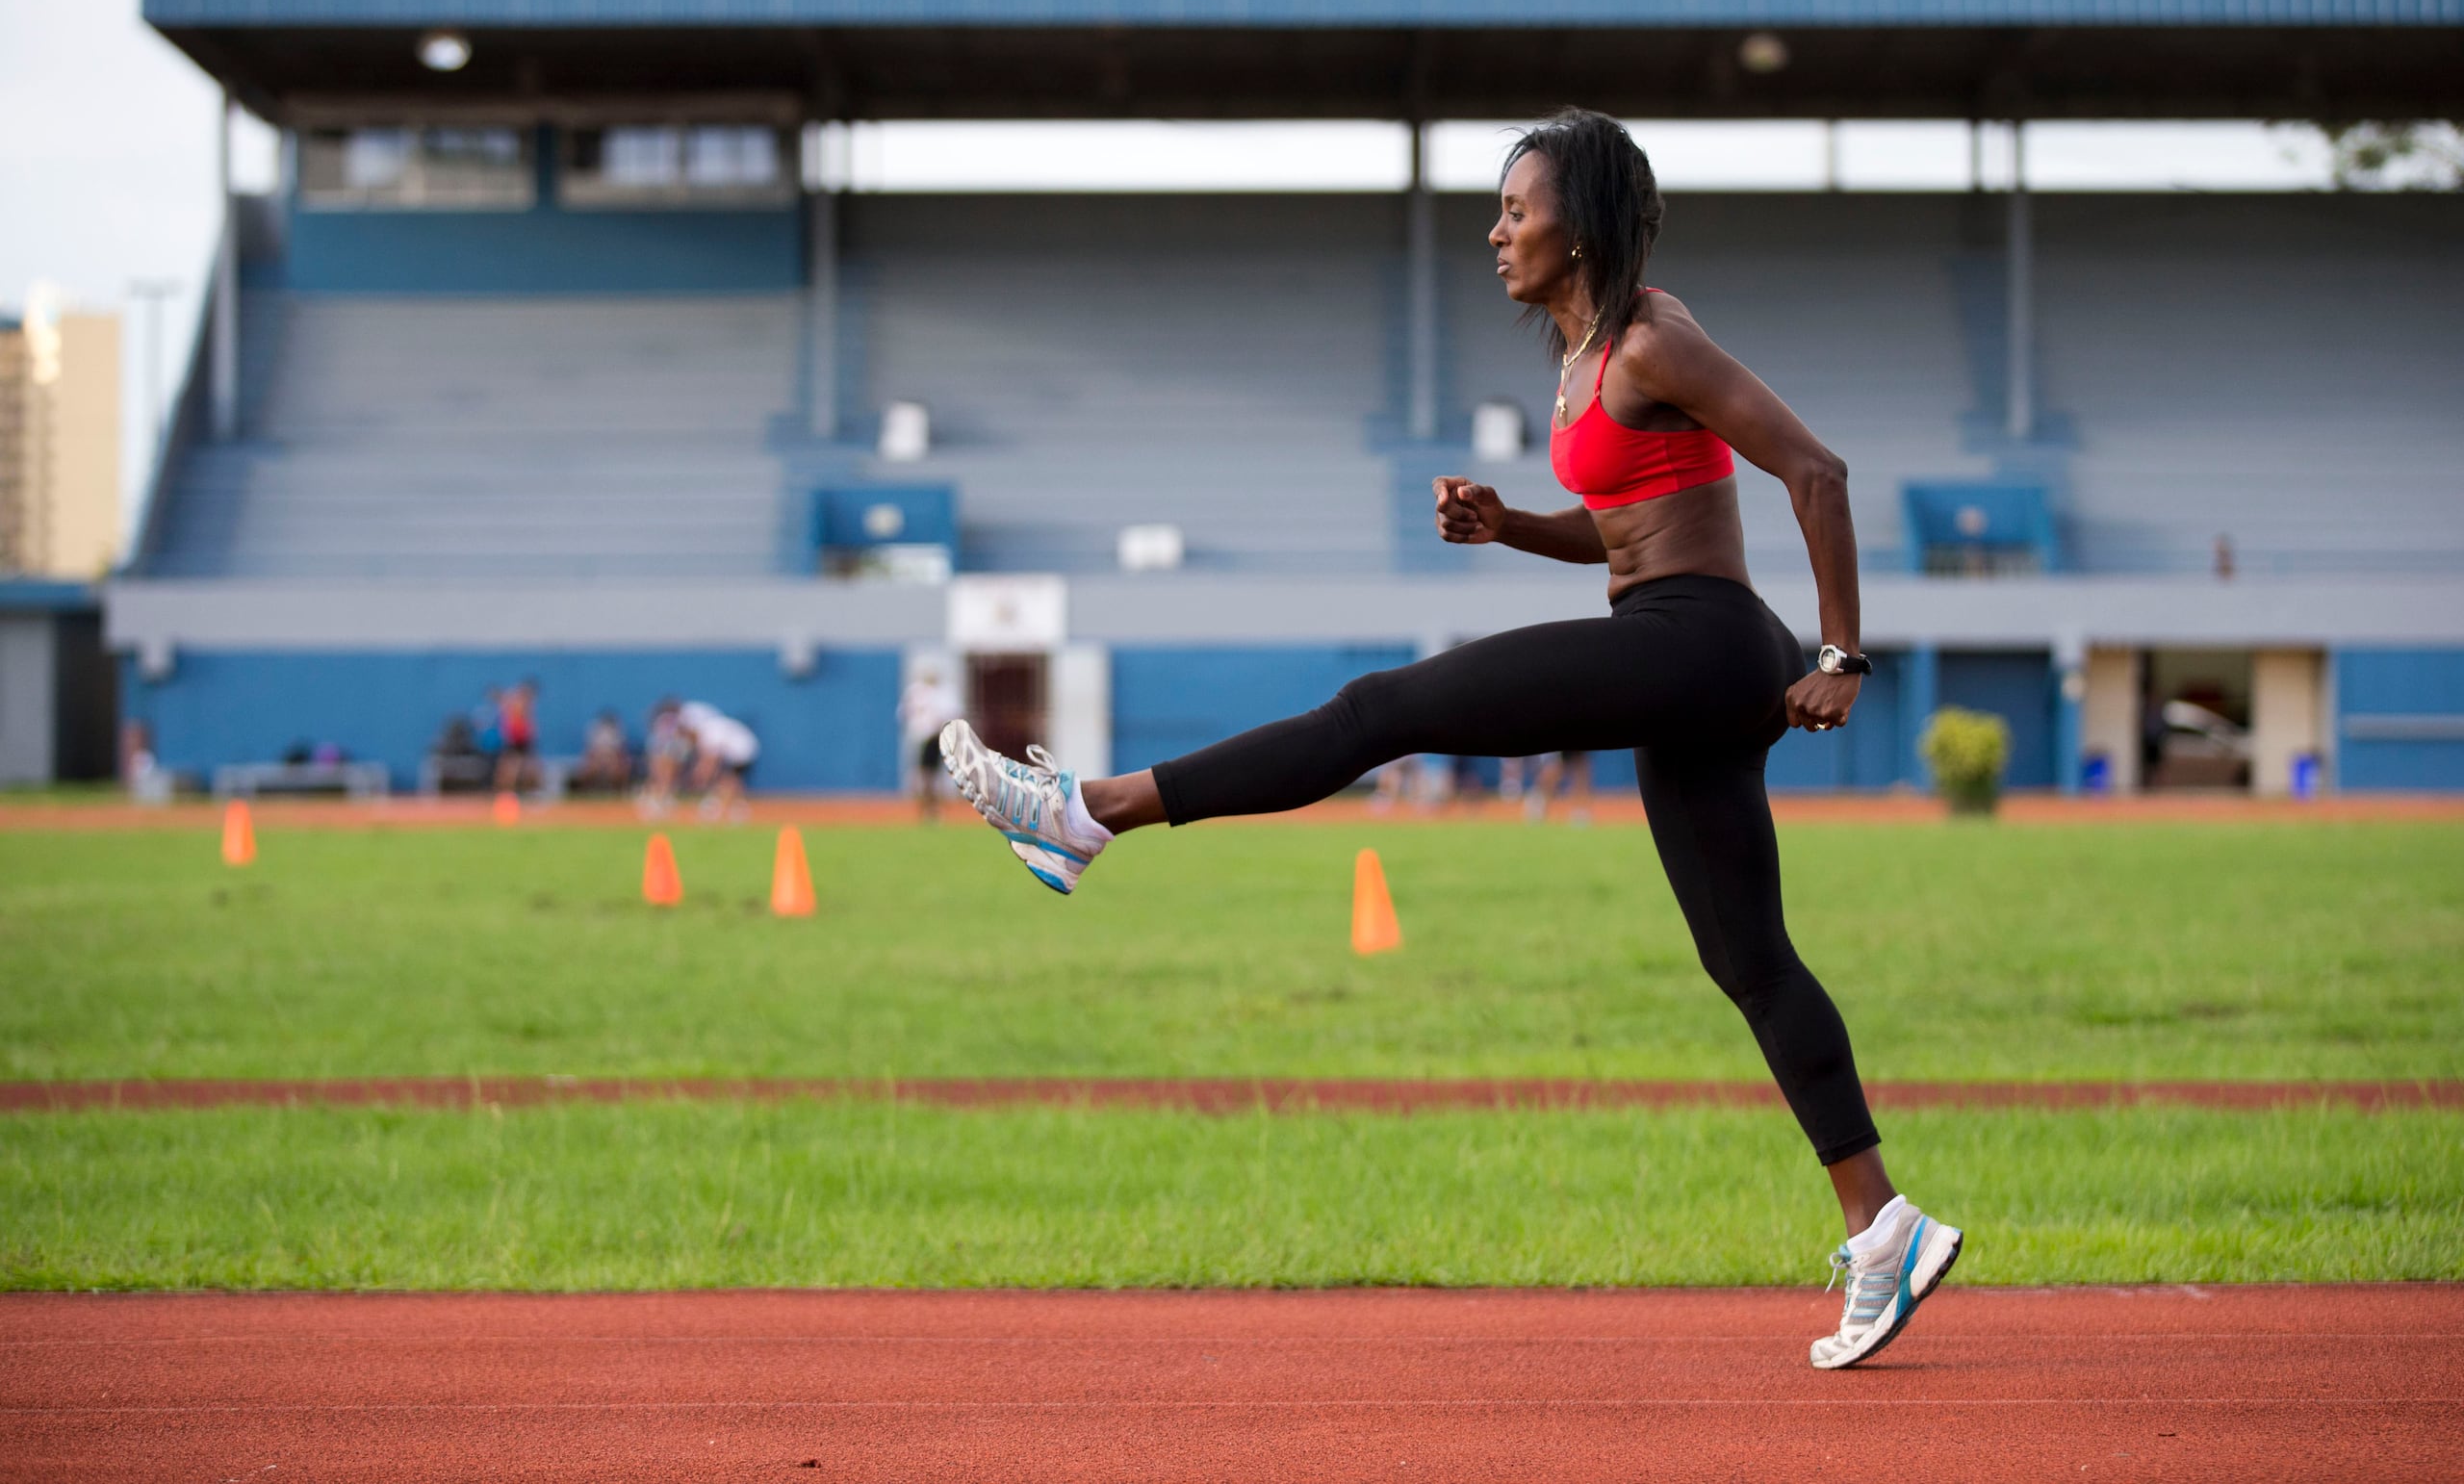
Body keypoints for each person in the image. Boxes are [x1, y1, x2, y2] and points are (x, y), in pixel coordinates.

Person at [936, 110, 1960, 1370]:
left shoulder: (1654, 336)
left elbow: (1817, 470)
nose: (1497, 231)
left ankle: (1085, 813)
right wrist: (1511, 525)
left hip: (1701, 643)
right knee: (1748, 958)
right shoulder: (1588, 357)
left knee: (1382, 709)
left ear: (1576, 219)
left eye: (1516, 209)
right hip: (1685, 649)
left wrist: (1843, 655)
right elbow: (1631, 523)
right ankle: (1883, 1223)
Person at [675, 699, 759, 820]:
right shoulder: (709, 728)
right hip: (743, 748)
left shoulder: (707, 732)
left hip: (743, 750)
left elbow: (709, 763)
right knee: (728, 778)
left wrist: (699, 778)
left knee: (727, 778)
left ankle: (723, 806)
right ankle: (733, 806)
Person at [897, 668, 964, 821]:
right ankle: (930, 807)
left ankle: (934, 807)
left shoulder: (939, 693)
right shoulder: (919, 692)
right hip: (925, 737)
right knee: (926, 774)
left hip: (936, 737)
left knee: (935, 774)